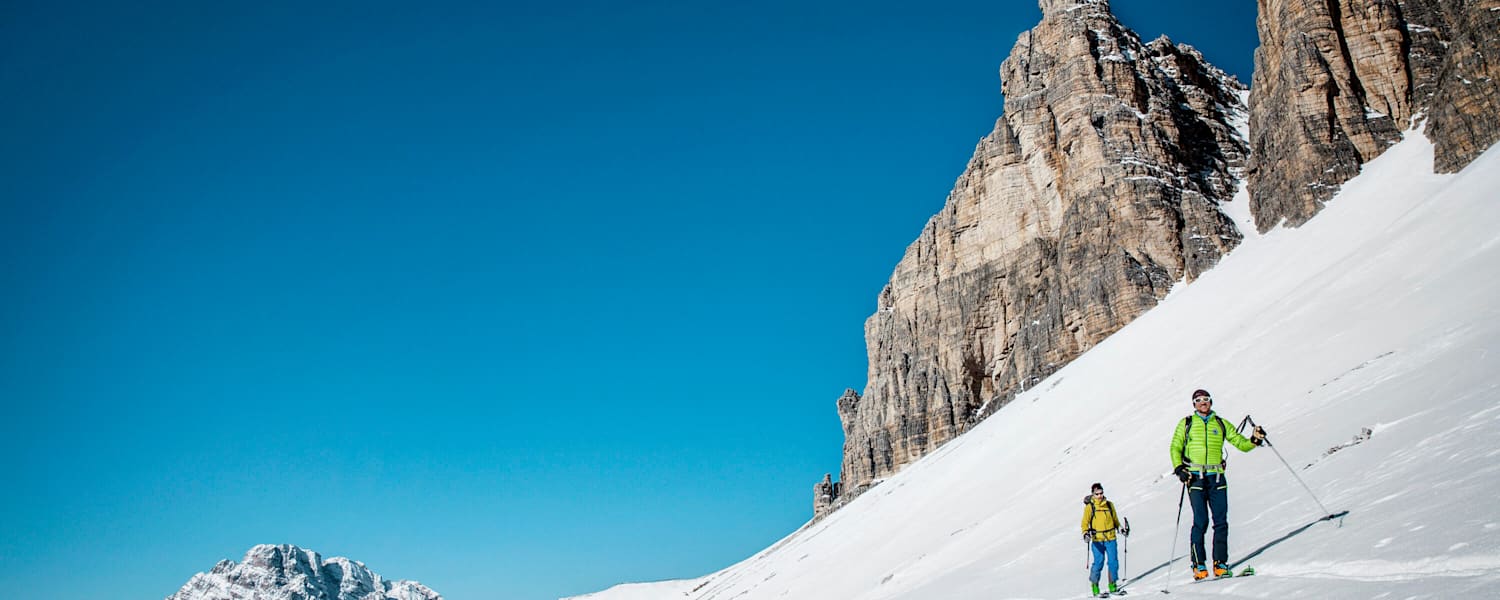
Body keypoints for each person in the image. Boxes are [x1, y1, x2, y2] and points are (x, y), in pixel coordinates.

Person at [1169, 388, 1265, 580]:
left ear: (1211, 402)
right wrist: (1179, 468)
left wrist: (1255, 439)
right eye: (1198, 400)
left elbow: (1241, 443)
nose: (1203, 402)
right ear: (1194, 404)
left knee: (1221, 522)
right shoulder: (1186, 423)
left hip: (1217, 477)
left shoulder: (1220, 423)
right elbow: (1175, 446)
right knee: (1201, 521)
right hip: (1195, 477)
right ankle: (1198, 565)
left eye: (1206, 399)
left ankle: (1220, 564)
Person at [1081, 482, 1128, 597]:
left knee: (1113, 562)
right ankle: (1095, 586)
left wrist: (1121, 529)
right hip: (1097, 539)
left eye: (1101, 493)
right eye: (1097, 494)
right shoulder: (1090, 507)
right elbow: (1084, 523)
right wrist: (1085, 533)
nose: (1100, 496)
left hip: (1111, 537)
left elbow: (1115, 520)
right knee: (1098, 563)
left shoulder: (1109, 505)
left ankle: (1113, 585)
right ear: (1093, 494)